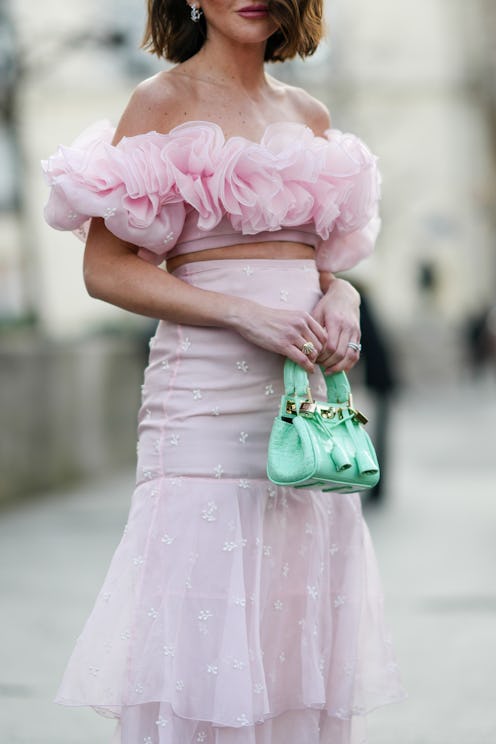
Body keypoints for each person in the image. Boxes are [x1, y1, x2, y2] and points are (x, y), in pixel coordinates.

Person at [42, 0, 406, 741]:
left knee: (290, 644)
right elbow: (106, 269)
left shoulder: (308, 114)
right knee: (202, 650)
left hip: (306, 420)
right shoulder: (160, 103)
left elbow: (321, 264)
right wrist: (242, 314)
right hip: (203, 416)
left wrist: (346, 298)